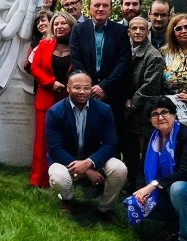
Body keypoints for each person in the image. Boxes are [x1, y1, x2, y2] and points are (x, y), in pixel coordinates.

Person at [130, 99, 187, 241]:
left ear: (174, 115)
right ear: (150, 120)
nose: (160, 117)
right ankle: (179, 224)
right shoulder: (151, 137)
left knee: (178, 188)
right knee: (136, 201)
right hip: (165, 187)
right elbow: (143, 168)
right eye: (155, 114)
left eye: (165, 112)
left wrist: (153, 185)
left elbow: (186, 172)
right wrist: (141, 190)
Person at [46, 71, 128, 217]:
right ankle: (67, 200)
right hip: (65, 159)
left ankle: (105, 208)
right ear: (68, 88)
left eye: (87, 88)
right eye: (77, 87)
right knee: (58, 177)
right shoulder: (55, 112)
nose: (82, 92)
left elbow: (111, 143)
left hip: (94, 157)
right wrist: (86, 170)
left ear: (92, 88)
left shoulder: (104, 110)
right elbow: (55, 149)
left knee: (119, 168)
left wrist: (89, 163)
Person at [27, 12, 75, 188]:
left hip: (70, 99)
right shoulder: (44, 44)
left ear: (71, 26)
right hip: (46, 97)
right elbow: (35, 68)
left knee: (67, 139)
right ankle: (39, 178)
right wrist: (50, 82)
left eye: (63, 23)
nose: (59, 26)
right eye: (56, 24)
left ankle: (67, 176)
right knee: (42, 140)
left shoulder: (77, 46)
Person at [69, 0, 132, 111]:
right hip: (85, 93)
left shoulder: (121, 31)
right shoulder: (78, 30)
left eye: (105, 5)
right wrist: (90, 86)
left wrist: (103, 86)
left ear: (110, 9)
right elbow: (76, 60)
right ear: (89, 8)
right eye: (97, 5)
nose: (101, 9)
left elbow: (124, 62)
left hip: (113, 92)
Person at [124, 15, 165, 188]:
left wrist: (132, 103)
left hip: (142, 112)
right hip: (128, 111)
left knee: (145, 153)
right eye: (134, 28)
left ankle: (143, 188)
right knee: (129, 151)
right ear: (129, 32)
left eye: (142, 28)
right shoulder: (127, 50)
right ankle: (130, 185)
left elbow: (150, 87)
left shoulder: (153, 56)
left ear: (148, 32)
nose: (138, 31)